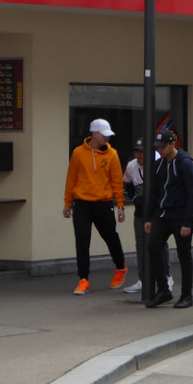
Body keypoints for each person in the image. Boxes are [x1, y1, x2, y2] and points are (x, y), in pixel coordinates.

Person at [62, 118, 128, 295]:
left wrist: (120, 205)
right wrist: (67, 202)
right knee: (82, 241)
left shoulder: (112, 154)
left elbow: (116, 181)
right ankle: (83, 279)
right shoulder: (78, 153)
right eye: (104, 135)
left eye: (108, 135)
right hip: (82, 203)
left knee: (110, 237)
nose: (107, 139)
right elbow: (71, 178)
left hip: (103, 203)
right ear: (94, 134)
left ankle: (120, 267)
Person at [144, 129, 193, 309]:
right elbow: (154, 191)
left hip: (181, 215)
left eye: (163, 147)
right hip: (162, 214)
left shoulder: (184, 164)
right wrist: (149, 217)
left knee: (184, 254)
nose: (160, 150)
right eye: (158, 147)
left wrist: (188, 221)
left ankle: (187, 294)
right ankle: (163, 290)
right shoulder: (159, 164)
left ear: (172, 144)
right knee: (153, 247)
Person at [122, 140, 172, 294]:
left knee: (159, 243)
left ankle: (166, 276)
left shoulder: (159, 162)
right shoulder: (131, 166)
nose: (139, 155)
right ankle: (142, 278)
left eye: (142, 151)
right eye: (137, 151)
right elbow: (126, 183)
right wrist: (135, 199)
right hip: (140, 211)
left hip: (157, 211)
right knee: (140, 243)